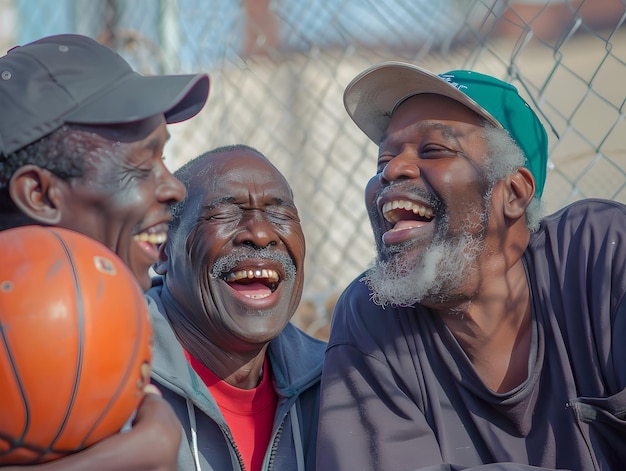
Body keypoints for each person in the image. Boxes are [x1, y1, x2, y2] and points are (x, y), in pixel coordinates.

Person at [316, 61, 626, 470]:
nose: (392, 171)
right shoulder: (371, 316)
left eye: (433, 150)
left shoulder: (599, 253)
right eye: (383, 160)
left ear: (513, 192)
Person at [0, 33, 210, 469]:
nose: (175, 187)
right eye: (140, 167)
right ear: (39, 194)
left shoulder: (109, 322)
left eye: (165, 160)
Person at [146, 145, 326, 470]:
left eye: (280, 214)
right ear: (162, 250)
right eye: (223, 213)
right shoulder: (110, 373)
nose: (260, 233)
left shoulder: (334, 385)